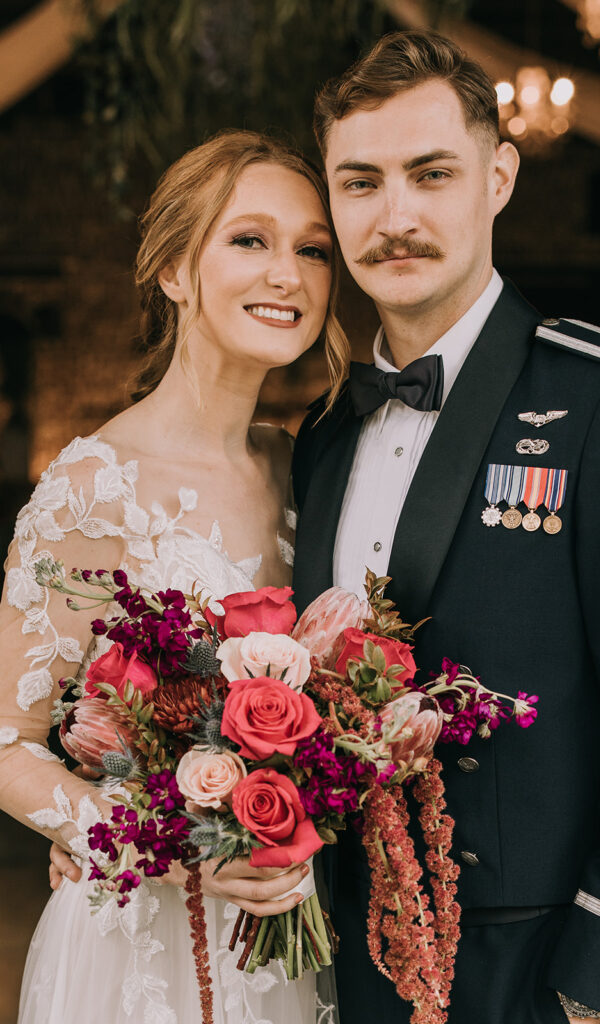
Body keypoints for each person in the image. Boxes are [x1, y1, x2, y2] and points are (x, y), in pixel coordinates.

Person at [290, 30, 600, 1024]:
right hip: (341, 964)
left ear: (497, 177)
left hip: (535, 968)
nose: (396, 215)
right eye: (360, 183)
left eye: (430, 174)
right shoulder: (325, 431)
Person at [0, 128, 347, 1024]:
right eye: (249, 239)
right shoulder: (93, 487)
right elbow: (5, 746)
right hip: (142, 946)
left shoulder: (303, 468)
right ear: (174, 271)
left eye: (312, 249)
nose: (289, 274)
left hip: (289, 933)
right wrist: (171, 842)